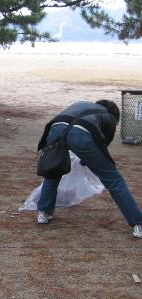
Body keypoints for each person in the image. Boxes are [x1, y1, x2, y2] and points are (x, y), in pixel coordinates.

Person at [36, 99, 142, 238]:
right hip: (82, 133)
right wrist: (87, 162)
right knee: (114, 180)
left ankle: (43, 213)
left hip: (56, 128)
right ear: (114, 115)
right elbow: (102, 146)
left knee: (53, 171)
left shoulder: (82, 104)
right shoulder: (109, 117)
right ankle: (138, 223)